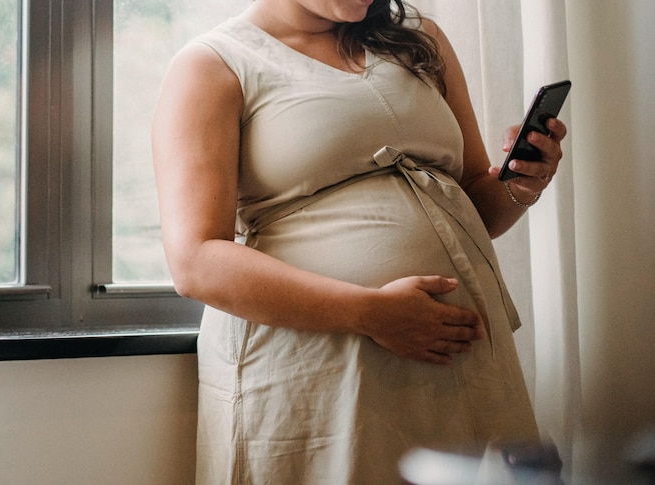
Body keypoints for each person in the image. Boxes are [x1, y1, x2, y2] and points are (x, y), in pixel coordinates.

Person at [151, 0, 568, 482]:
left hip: (452, 355)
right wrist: (370, 312)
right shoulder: (213, 64)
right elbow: (196, 261)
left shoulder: (419, 38)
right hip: (316, 357)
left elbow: (476, 203)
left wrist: (522, 183)